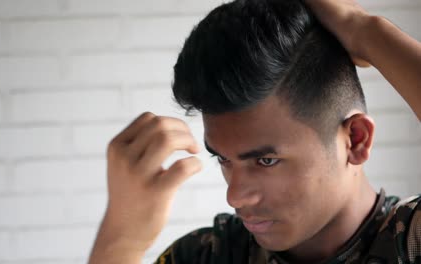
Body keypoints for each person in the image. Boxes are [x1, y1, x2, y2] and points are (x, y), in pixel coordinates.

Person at [88, 0, 421, 263]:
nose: (235, 197)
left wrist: (364, 29)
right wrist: (121, 241)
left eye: (265, 160)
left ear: (355, 140)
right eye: (222, 159)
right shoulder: (208, 256)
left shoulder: (411, 242)